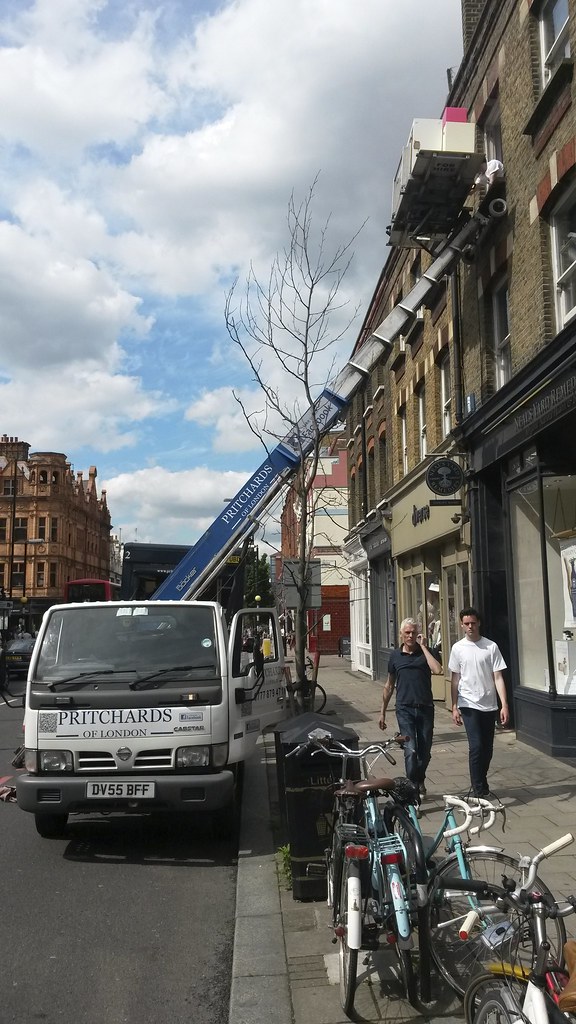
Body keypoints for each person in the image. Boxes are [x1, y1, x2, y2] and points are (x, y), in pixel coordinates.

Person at [448, 607, 509, 797]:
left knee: (487, 748)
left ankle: (481, 780)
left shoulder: (490, 647)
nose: (470, 627)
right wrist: (454, 706)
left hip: (489, 704)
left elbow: (498, 677)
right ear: (461, 625)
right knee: (476, 746)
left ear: (479, 623)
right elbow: (455, 679)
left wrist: (504, 704)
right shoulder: (458, 648)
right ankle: (478, 789)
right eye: (466, 623)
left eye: (473, 623)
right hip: (468, 703)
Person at [379, 617, 443, 798]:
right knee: (410, 750)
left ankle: (419, 778)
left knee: (425, 752)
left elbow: (437, 669)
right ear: (401, 634)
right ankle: (412, 791)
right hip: (404, 709)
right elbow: (389, 685)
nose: (410, 635)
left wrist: (423, 647)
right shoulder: (395, 656)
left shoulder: (425, 652)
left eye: (414, 632)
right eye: (407, 632)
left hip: (425, 708)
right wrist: (382, 712)